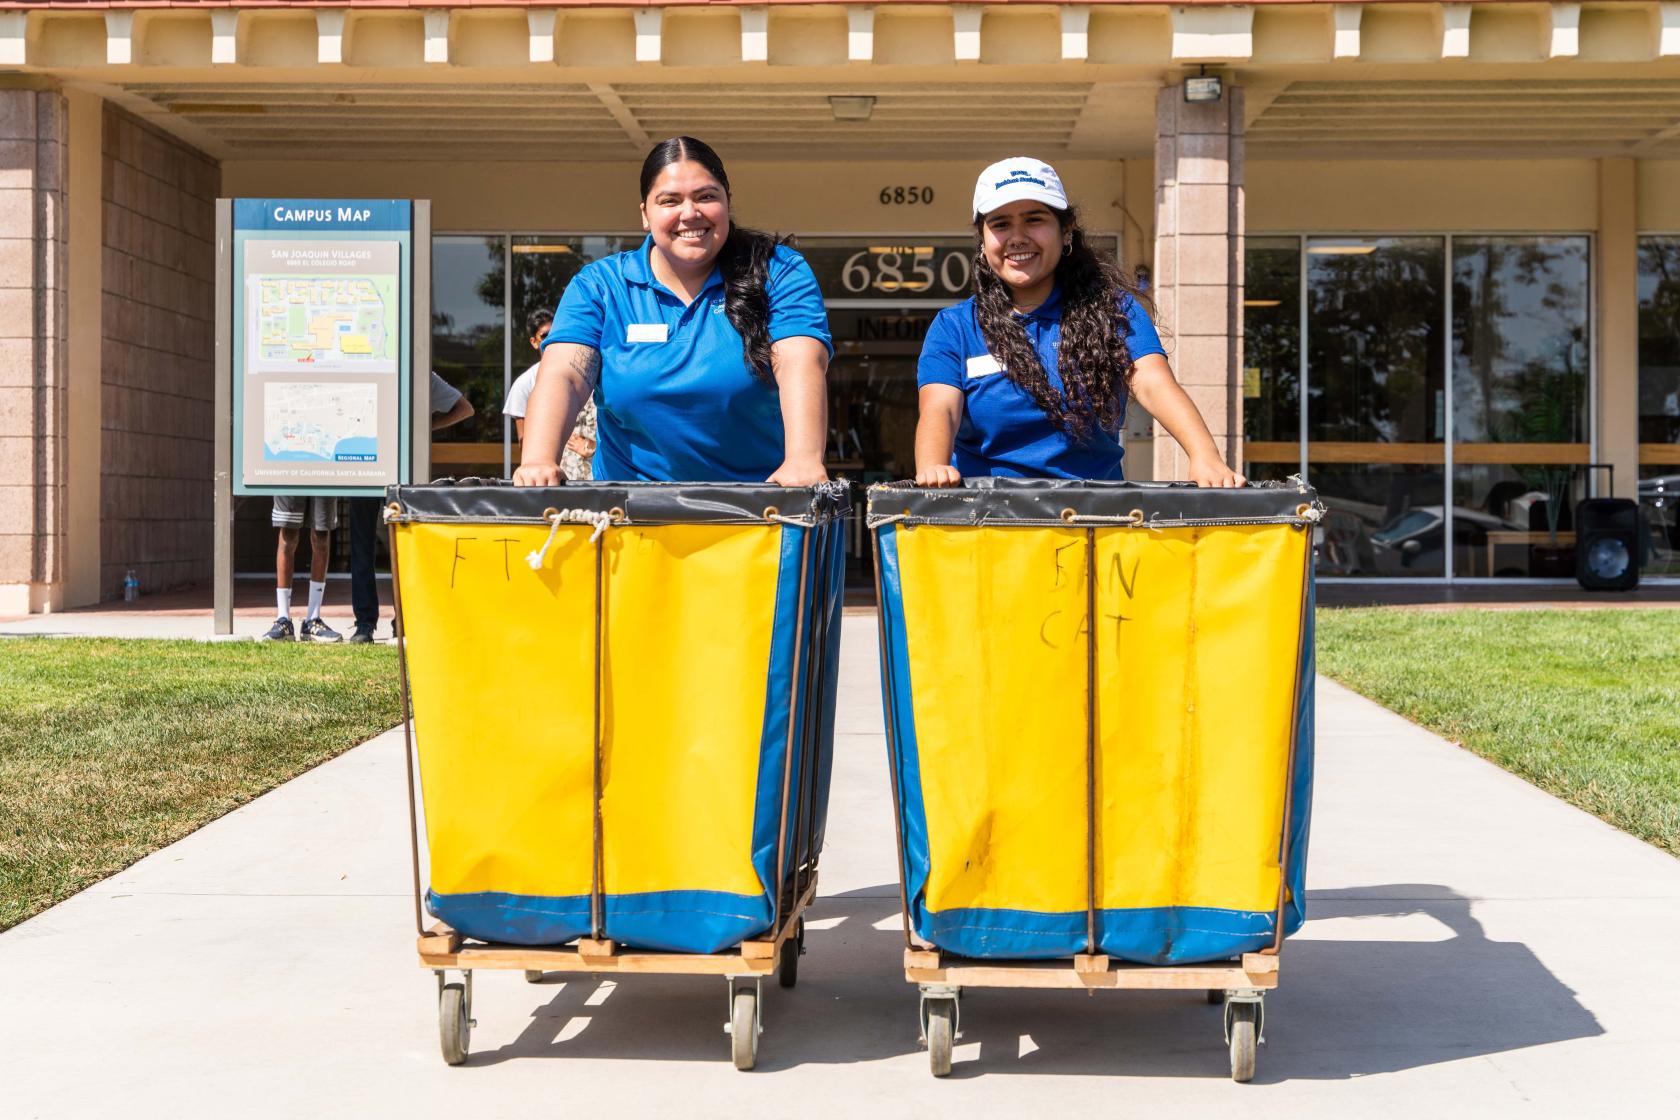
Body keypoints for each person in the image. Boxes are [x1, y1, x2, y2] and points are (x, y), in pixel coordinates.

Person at [513, 136, 831, 486]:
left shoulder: (778, 271)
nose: (690, 213)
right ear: (645, 215)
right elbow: (566, 375)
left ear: (728, 202)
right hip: (630, 517)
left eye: (706, 196)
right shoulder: (600, 286)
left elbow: (800, 361)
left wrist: (803, 460)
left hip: (756, 514)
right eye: (670, 201)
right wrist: (538, 459)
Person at [914, 157, 1243, 488]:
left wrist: (1205, 456)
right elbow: (940, 410)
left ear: (1066, 230)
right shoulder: (954, 328)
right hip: (987, 518)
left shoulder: (1115, 312)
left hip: (1094, 516)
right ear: (983, 242)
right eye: (1001, 224)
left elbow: (1154, 385)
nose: (1017, 237)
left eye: (1034, 220)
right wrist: (932, 468)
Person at [344, 372, 475, 643]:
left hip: (400, 473)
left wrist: (425, 429)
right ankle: (365, 623)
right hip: (363, 467)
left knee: (404, 548)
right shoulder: (358, 371)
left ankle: (401, 621)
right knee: (361, 546)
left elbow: (465, 409)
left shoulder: (419, 373)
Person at [504, 308, 596, 480]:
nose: (551, 340)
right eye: (545, 336)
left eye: (555, 333)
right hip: (559, 475)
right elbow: (525, 441)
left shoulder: (586, 372)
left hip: (595, 472)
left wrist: (591, 446)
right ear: (534, 342)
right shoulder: (525, 383)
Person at [262, 495, 341, 642]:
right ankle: (283, 619)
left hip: (324, 475)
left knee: (321, 535)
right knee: (288, 535)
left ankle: (313, 620)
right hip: (289, 474)